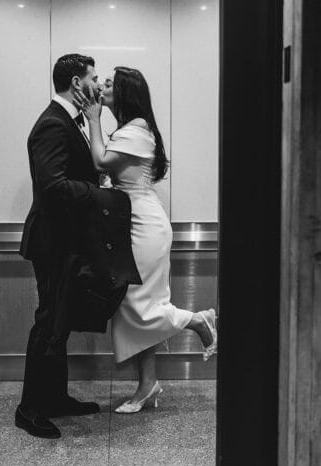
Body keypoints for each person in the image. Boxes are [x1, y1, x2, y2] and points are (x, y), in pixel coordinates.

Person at [73, 66, 218, 414]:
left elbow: (100, 161)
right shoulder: (130, 129)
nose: (102, 87)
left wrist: (93, 119)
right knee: (134, 305)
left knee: (137, 305)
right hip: (134, 225)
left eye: (109, 83)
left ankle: (196, 320)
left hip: (143, 228)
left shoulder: (136, 129)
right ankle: (147, 385)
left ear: (124, 93)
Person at [16, 54, 141, 438]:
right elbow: (52, 186)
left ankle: (55, 398)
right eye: (93, 77)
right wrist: (98, 194)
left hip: (65, 240)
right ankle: (30, 408)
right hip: (52, 242)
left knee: (61, 320)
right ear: (76, 83)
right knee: (48, 322)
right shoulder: (53, 125)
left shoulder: (67, 120)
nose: (98, 82)